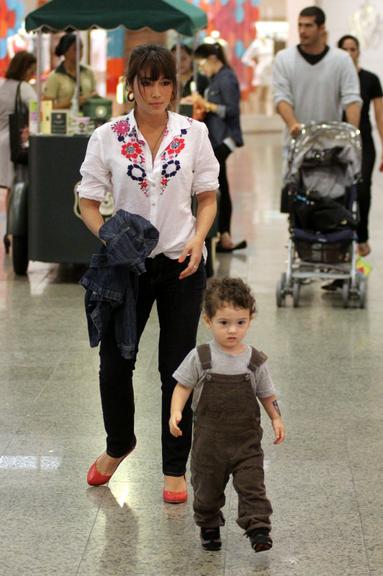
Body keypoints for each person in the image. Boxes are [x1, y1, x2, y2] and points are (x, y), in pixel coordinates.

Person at [78, 44, 219, 502]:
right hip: (126, 268)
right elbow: (87, 201)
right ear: (131, 86)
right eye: (146, 82)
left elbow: (207, 197)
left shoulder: (194, 132)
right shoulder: (107, 136)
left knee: (177, 369)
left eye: (165, 82)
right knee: (114, 365)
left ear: (174, 87)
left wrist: (198, 240)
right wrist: (109, 237)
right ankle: (119, 444)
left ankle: (174, 468)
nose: (156, 92)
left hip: (182, 264)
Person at [169, 277, 285, 552]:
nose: (232, 330)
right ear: (208, 320)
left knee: (252, 486)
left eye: (240, 323)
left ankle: (258, 528)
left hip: (246, 442)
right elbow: (182, 387)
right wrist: (176, 412)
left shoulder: (254, 360)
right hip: (209, 443)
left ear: (250, 319)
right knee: (206, 490)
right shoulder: (201, 357)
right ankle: (209, 525)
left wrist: (276, 417)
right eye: (224, 323)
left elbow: (267, 394)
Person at [272, 6, 362, 144]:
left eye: (308, 26)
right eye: (300, 25)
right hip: (296, 146)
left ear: (321, 28)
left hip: (332, 146)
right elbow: (281, 97)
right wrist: (293, 125)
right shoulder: (284, 58)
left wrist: (351, 135)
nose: (302, 31)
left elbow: (351, 99)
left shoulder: (341, 60)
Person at [192, 43, 246, 252]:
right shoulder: (216, 79)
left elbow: (231, 110)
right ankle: (224, 235)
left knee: (219, 187)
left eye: (202, 64)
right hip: (216, 138)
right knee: (219, 185)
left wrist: (206, 104)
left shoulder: (226, 78)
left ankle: (224, 234)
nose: (202, 69)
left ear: (213, 58)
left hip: (225, 140)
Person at [337, 34, 383, 257]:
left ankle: (362, 236)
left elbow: (380, 116)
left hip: (364, 141)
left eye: (353, 49)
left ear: (358, 52)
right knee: (339, 191)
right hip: (337, 142)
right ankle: (340, 243)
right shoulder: (334, 78)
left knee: (362, 188)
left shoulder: (370, 79)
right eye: (344, 49)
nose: (349, 53)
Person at [0, 51, 36, 254]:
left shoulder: (2, 85)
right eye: (31, 69)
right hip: (14, 143)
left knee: (9, 188)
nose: (32, 73)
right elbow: (37, 109)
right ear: (25, 68)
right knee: (17, 186)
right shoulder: (23, 88)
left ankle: (8, 232)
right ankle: (13, 231)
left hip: (1, 141)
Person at [43, 33, 97, 110]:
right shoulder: (55, 76)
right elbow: (47, 107)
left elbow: (94, 94)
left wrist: (89, 97)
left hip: (87, 118)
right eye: (75, 49)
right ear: (65, 51)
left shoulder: (88, 72)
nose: (80, 52)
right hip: (65, 118)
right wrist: (73, 103)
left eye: (81, 48)